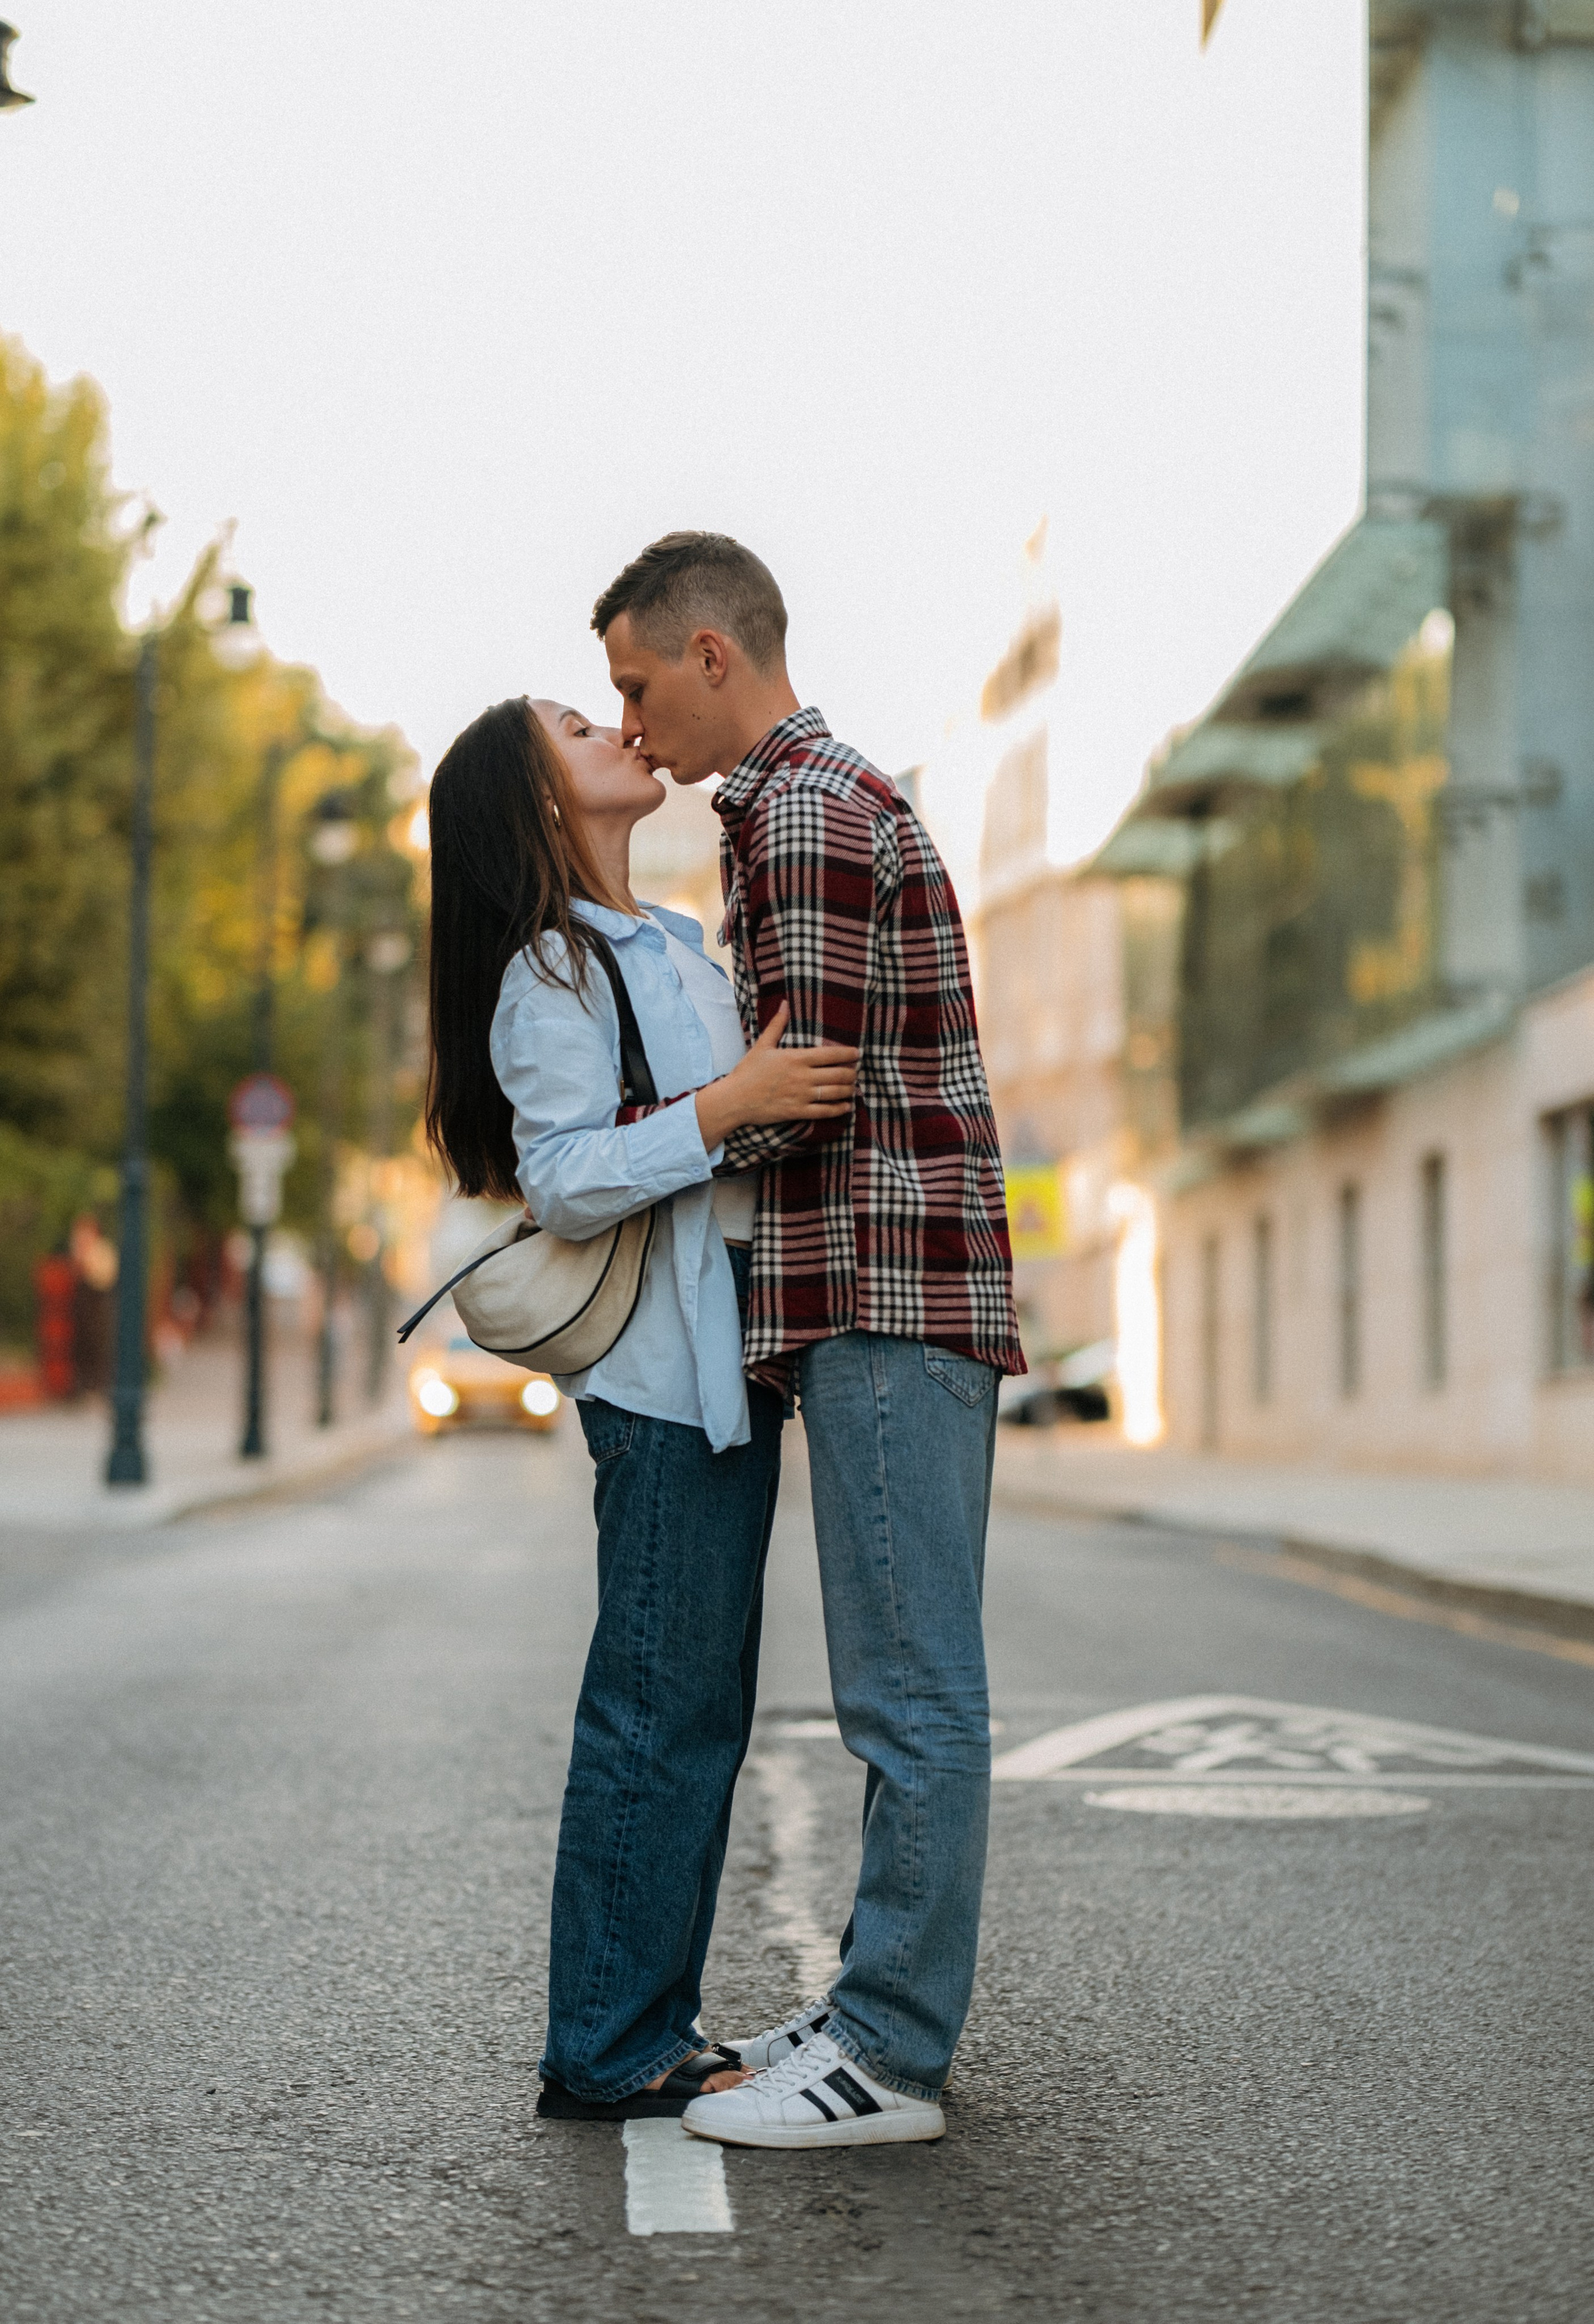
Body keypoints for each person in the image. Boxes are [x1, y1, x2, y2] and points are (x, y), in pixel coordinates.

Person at [592, 532, 1026, 2150]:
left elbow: (807, 1079)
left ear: (716, 654)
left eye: (638, 685)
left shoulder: (801, 809)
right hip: (871, 1295)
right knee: (897, 1685)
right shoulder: (804, 800)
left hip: (890, 1294)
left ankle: (893, 2052)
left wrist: (645, 1145)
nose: (630, 725)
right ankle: (867, 2008)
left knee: (912, 1693)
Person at [423, 694, 859, 2120]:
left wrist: (759, 1096)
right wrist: (732, 1102)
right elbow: (558, 1176)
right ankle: (607, 2046)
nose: (612, 726)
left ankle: (644, 2022)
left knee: (699, 1710)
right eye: (572, 725)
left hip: (728, 1366)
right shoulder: (546, 972)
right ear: (540, 802)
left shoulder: (668, 939)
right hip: (658, 1384)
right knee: (653, 1712)